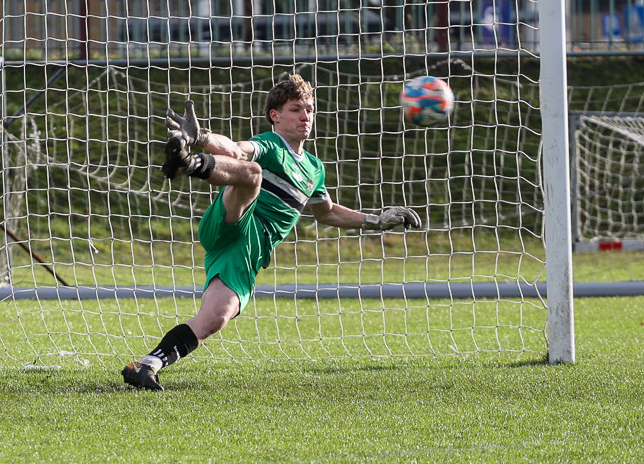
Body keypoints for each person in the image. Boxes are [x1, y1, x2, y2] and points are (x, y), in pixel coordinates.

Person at [121, 74, 421, 391]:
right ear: (275, 116)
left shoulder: (315, 169)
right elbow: (237, 150)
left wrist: (377, 220)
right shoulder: (272, 144)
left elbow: (327, 212)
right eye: (295, 109)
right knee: (251, 173)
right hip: (236, 219)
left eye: (309, 109)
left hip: (248, 251)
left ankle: (145, 366)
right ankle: (190, 164)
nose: (305, 116)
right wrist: (202, 138)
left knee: (216, 318)